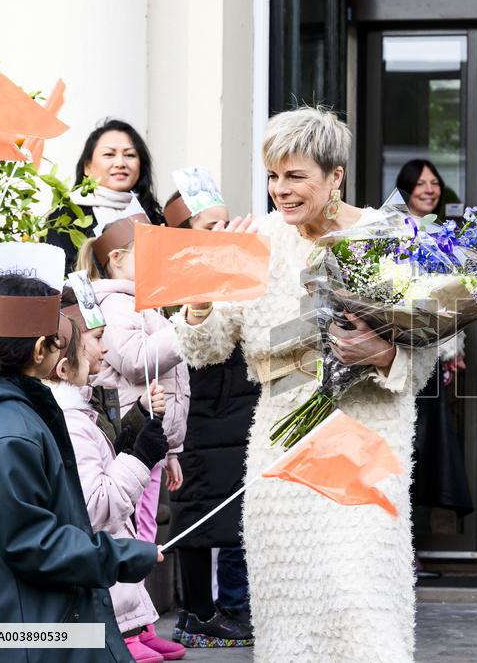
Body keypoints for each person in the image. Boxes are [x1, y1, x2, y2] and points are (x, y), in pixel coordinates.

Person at [173, 106, 437, 661]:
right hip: (284, 451)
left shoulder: (391, 236)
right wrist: (199, 301)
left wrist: (383, 352)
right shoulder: (257, 240)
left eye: (295, 176)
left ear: (335, 175)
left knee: (360, 601)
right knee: (292, 621)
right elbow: (207, 349)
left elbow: (429, 355)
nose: (280, 190)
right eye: (273, 176)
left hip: (368, 446)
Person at [0, 273, 162, 662]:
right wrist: (124, 556)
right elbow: (33, 543)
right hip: (17, 632)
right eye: (57, 341)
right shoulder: (7, 430)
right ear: (38, 351)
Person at [48, 293, 184, 663]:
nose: (105, 348)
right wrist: (141, 457)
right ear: (63, 367)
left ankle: (135, 627)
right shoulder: (71, 420)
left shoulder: (81, 407)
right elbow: (97, 505)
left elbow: (104, 452)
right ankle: (123, 631)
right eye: (96, 339)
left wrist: (136, 422)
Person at [161, 181, 257, 647]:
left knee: (239, 505)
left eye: (225, 221)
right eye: (209, 225)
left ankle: (236, 607)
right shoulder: (172, 277)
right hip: (196, 404)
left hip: (241, 402)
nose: (222, 231)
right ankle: (196, 612)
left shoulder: (240, 266)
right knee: (196, 507)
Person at [76, 213, 190, 544]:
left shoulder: (145, 306)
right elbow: (137, 361)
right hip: (131, 437)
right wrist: (185, 329)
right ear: (116, 258)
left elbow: (171, 382)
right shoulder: (115, 304)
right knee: (134, 528)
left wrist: (172, 450)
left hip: (151, 439)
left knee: (146, 526)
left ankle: (140, 575)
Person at [394, 159, 471, 580]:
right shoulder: (393, 233)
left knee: (422, 454)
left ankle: (410, 549)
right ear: (406, 188)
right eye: (421, 183)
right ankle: (400, 552)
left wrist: (453, 347)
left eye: (435, 182)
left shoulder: (442, 234)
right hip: (402, 357)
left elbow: (452, 299)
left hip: (433, 361)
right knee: (405, 452)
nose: (429, 189)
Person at [48, 119, 165, 274]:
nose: (120, 163)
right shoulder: (64, 219)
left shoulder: (154, 219)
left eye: (130, 155)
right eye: (109, 154)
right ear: (87, 167)